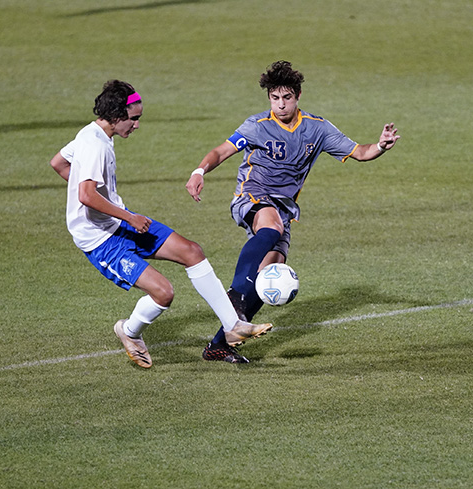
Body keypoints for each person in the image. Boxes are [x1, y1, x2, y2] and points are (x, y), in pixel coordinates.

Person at [186, 60, 400, 362]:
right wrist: (199, 172)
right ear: (269, 98)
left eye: (286, 98)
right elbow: (222, 151)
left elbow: (360, 152)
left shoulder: (317, 128)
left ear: (297, 96)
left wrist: (381, 145)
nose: (281, 104)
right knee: (270, 228)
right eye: (275, 98)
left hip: (285, 208)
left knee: (267, 278)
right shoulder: (257, 125)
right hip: (253, 194)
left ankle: (219, 345)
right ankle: (233, 298)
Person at [50, 80, 272, 367]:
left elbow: (58, 163)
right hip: (100, 240)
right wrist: (127, 215)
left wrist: (110, 205)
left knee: (192, 251)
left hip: (117, 222)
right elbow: (86, 195)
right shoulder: (95, 146)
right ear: (116, 115)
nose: (137, 125)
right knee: (163, 293)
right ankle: (128, 331)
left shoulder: (91, 134)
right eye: (134, 119)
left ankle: (232, 326)